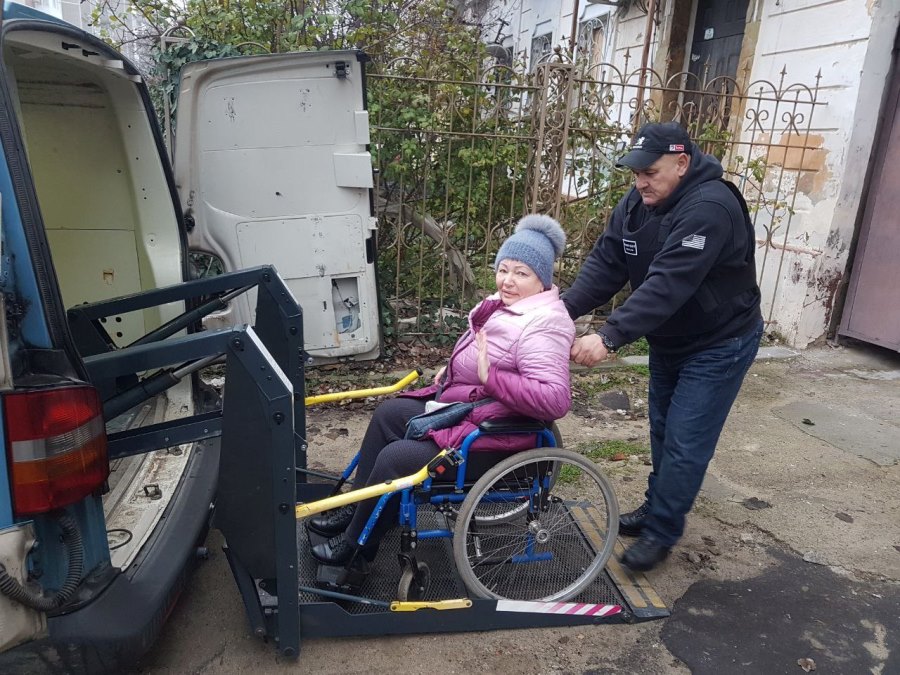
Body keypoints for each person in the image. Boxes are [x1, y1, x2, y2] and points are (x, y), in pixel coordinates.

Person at [309, 214, 576, 566]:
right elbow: (485, 354)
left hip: (499, 441)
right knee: (388, 415)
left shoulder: (545, 324)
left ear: (542, 280)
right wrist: (452, 370)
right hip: (473, 412)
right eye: (503, 269)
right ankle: (360, 507)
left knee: (396, 458)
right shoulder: (505, 306)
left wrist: (490, 376)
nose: (508, 280)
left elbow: (555, 400)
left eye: (521, 273)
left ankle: (359, 546)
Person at [563, 121, 763, 572]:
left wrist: (610, 335)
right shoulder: (637, 203)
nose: (640, 182)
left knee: (685, 440)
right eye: (635, 174)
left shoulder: (710, 207)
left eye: (650, 172)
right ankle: (659, 509)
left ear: (682, 163)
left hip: (720, 341)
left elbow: (668, 284)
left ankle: (663, 531)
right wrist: (559, 310)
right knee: (662, 429)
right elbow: (607, 264)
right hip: (671, 340)